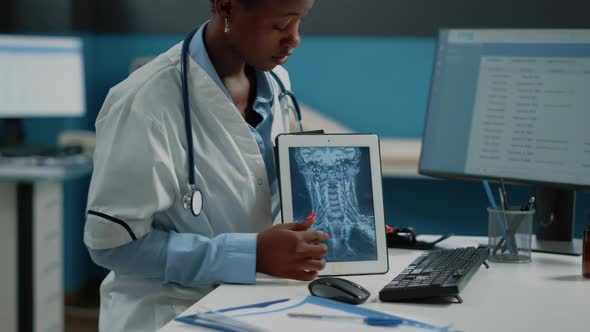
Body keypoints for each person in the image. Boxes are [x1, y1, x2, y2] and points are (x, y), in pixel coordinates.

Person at [83, 0, 326, 331]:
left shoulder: (277, 83)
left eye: (300, 21)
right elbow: (112, 247)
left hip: (254, 302)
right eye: (280, 25)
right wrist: (251, 255)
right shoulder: (144, 102)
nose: (294, 39)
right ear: (226, 7)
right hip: (170, 312)